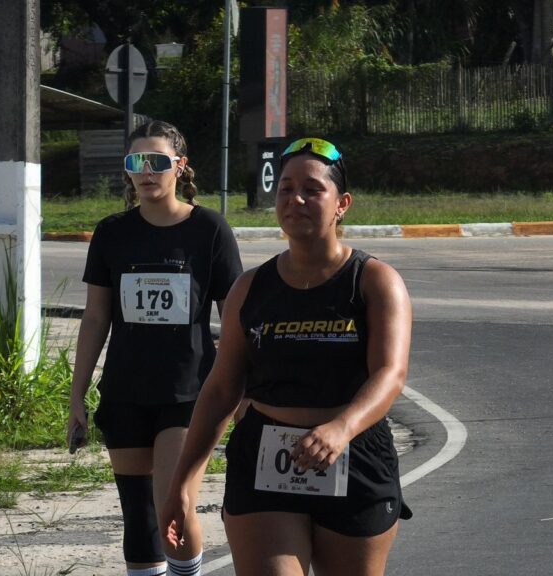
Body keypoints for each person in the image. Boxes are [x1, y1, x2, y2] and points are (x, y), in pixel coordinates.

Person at [161, 137, 413, 576]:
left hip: (352, 455)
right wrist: (182, 483)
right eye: (285, 188)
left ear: (342, 204)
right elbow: (221, 390)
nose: (295, 198)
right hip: (265, 458)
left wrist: (340, 428)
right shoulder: (251, 288)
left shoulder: (374, 281)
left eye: (312, 189)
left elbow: (390, 374)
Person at [68, 120, 243, 576]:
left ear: (179, 167)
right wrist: (76, 396)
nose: (146, 172)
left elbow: (235, 318)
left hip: (189, 394)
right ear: (127, 172)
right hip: (125, 391)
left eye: (157, 162)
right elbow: (95, 319)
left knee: (175, 505)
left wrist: (243, 390)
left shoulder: (209, 229)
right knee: (139, 515)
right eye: (136, 163)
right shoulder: (112, 233)